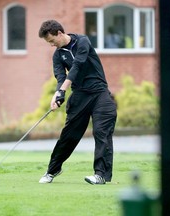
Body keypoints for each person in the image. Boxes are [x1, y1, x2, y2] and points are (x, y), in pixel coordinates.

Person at [38, 20, 117, 185]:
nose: (52, 45)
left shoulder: (82, 41)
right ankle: (53, 170)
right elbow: (60, 77)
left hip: (99, 93)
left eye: (52, 41)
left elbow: (77, 65)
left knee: (102, 132)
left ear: (59, 33)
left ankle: (100, 174)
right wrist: (58, 94)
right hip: (80, 96)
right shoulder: (58, 55)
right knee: (68, 136)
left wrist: (62, 90)